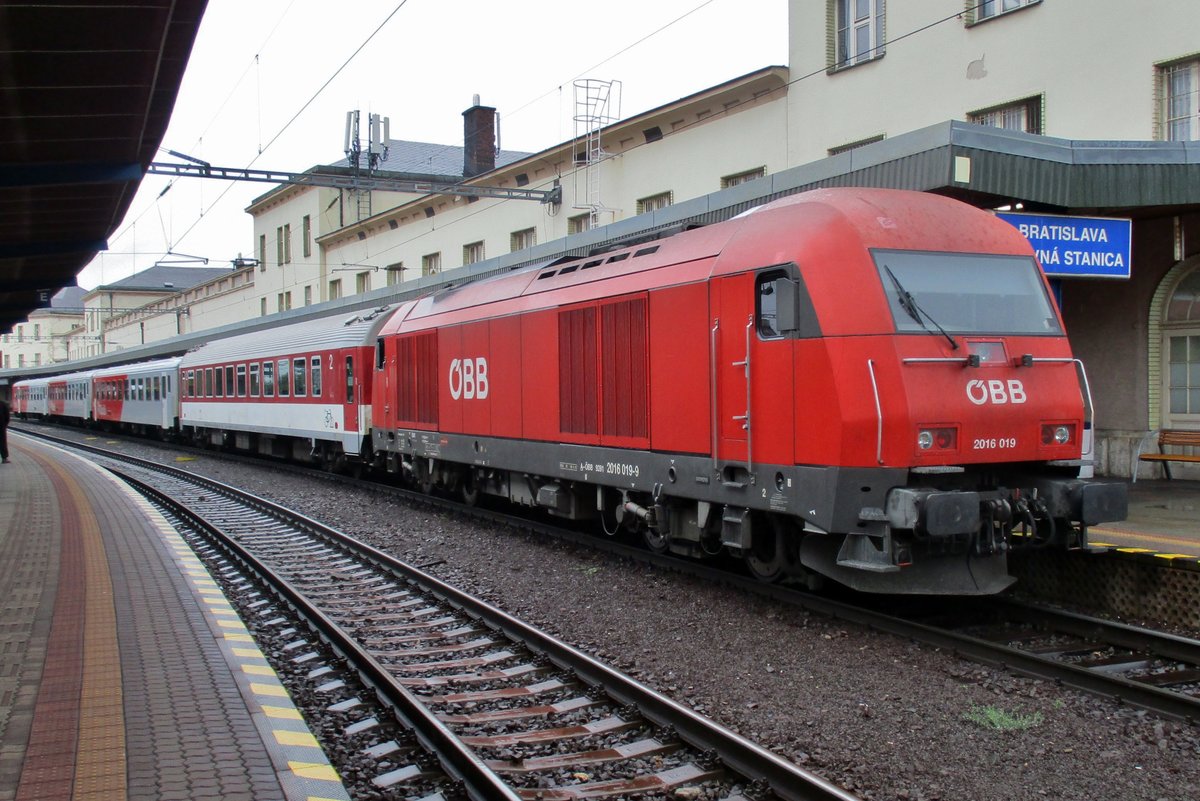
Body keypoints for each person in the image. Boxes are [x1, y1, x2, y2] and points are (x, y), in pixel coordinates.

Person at [0, 396, 9, 463]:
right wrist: (4, 425)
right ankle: (4, 458)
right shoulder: (2, 404)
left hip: (2, 427)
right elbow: (7, 417)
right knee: (2, 442)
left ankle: (4, 458)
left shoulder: (3, 404)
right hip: (1, 427)